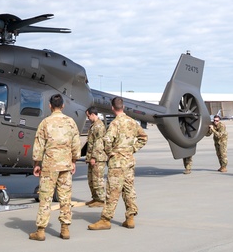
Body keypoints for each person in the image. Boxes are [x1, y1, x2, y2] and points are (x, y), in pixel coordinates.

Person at [88, 96, 148, 231]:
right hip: (129, 161)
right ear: (124, 107)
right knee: (129, 189)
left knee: (113, 191)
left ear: (112, 108)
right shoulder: (132, 122)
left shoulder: (114, 124)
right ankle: (130, 217)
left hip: (117, 163)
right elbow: (143, 137)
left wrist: (111, 153)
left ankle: (105, 219)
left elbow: (107, 141)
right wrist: (133, 149)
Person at [29, 93, 81, 241]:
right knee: (65, 197)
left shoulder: (45, 123)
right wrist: (74, 161)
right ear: (63, 105)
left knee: (45, 197)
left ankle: (40, 231)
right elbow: (76, 144)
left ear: (50, 106)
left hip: (49, 166)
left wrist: (36, 164)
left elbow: (39, 145)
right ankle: (65, 229)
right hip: (65, 165)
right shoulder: (70, 122)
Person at [84, 106, 107, 206]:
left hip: (97, 158)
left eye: (88, 116)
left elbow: (98, 143)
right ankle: (95, 198)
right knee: (91, 179)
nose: (88, 118)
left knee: (97, 179)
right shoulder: (94, 125)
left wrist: (93, 157)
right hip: (92, 157)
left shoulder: (98, 126)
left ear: (93, 114)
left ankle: (101, 200)